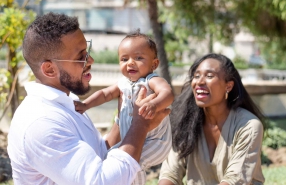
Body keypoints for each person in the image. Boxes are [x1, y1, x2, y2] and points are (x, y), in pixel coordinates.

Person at [7, 12, 170, 185]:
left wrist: (124, 113)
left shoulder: (68, 101)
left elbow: (99, 151)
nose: (90, 60)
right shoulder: (40, 123)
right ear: (49, 70)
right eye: (80, 57)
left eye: (87, 51)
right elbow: (102, 181)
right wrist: (140, 124)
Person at [74, 30, 174, 184]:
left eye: (139, 58)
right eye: (124, 59)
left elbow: (167, 93)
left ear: (154, 64)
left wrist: (154, 104)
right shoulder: (123, 83)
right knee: (112, 156)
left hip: (156, 141)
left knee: (132, 162)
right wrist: (85, 104)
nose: (130, 63)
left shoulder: (151, 80)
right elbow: (105, 94)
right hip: (135, 140)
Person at [158, 53, 266, 185]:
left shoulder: (249, 125)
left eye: (209, 76)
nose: (200, 82)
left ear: (228, 86)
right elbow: (170, 173)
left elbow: (235, 180)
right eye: (196, 76)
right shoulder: (184, 122)